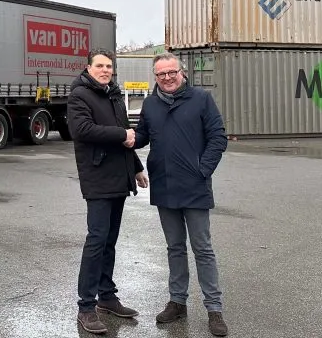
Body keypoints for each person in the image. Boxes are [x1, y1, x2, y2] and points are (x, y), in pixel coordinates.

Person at [133, 52, 229, 336]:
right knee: (174, 248)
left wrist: (203, 170)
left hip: (194, 186)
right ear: (156, 77)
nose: (167, 78)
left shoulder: (201, 99)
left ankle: (214, 309)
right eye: (161, 74)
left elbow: (218, 137)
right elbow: (141, 136)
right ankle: (177, 302)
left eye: (171, 72)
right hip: (164, 187)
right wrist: (122, 136)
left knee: (203, 249)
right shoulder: (150, 105)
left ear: (182, 72)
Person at [67, 48, 149, 335]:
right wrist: (121, 135)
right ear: (88, 68)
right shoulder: (79, 95)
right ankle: (86, 307)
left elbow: (125, 131)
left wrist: (136, 167)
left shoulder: (113, 94)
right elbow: (83, 130)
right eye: (100, 66)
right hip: (98, 176)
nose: (105, 70)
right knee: (97, 240)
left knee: (110, 240)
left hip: (119, 176)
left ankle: (107, 297)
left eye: (109, 66)